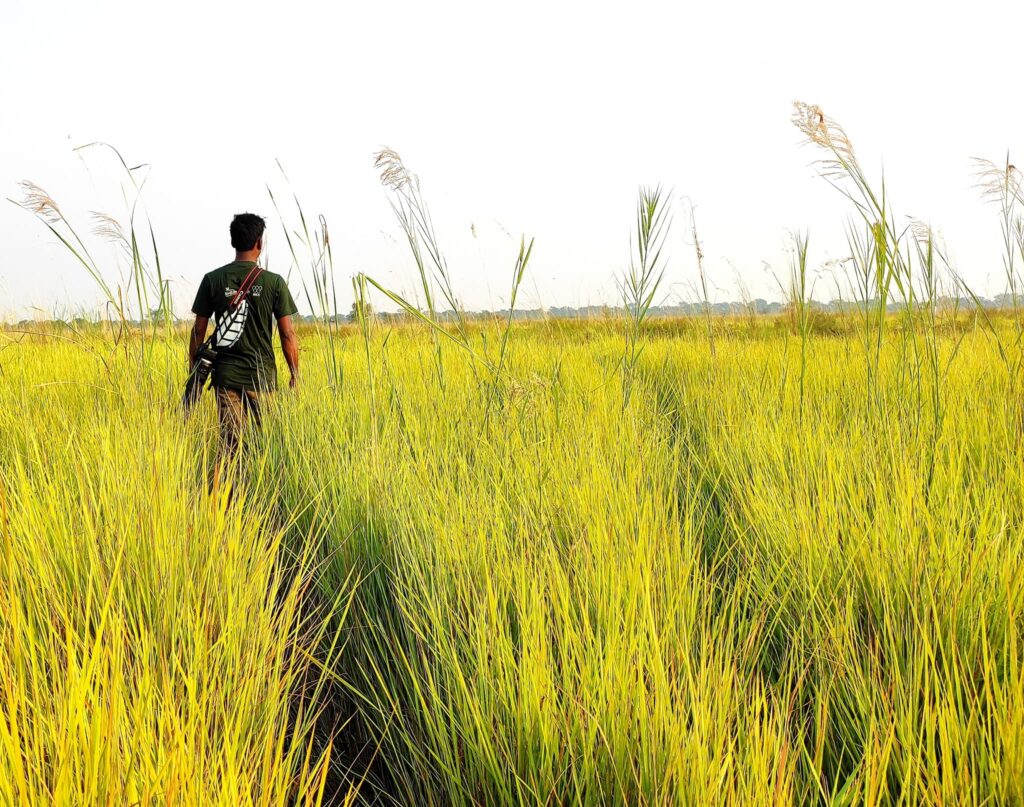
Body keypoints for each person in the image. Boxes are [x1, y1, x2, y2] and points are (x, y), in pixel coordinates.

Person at [189, 213, 299, 454]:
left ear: (233, 241)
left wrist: (194, 370)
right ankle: (264, 489)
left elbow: (198, 330)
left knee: (231, 446)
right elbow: (287, 334)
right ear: (260, 242)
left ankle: (230, 491)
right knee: (267, 444)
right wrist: (294, 374)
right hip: (262, 377)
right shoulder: (274, 282)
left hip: (226, 376)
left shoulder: (212, 279)